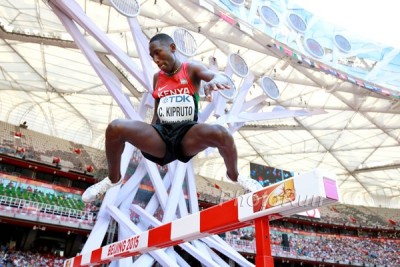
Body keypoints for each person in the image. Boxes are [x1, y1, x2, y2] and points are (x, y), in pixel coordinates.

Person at [82, 33, 262, 202]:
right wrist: (149, 134)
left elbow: (215, 75)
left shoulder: (190, 68)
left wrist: (216, 79)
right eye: (152, 56)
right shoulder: (157, 78)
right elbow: (158, 110)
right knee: (115, 127)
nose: (156, 60)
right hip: (160, 135)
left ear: (173, 48)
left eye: (158, 53)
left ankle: (234, 175)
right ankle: (113, 179)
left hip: (186, 135)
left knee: (221, 133)